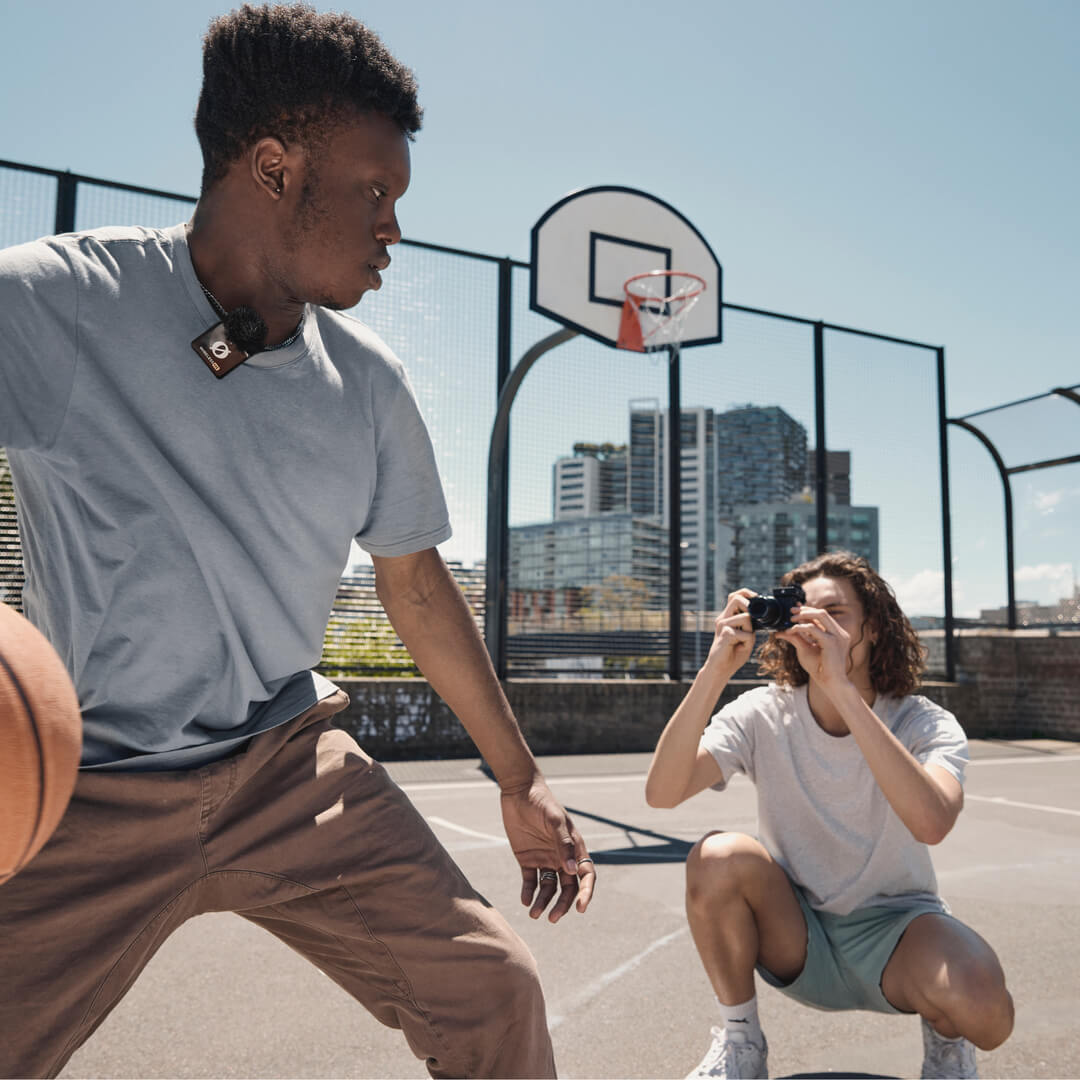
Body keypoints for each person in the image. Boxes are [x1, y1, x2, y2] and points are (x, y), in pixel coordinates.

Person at [0, 6, 595, 1077]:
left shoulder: (366, 385)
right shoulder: (60, 304)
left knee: (491, 988)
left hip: (288, 768)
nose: (394, 229)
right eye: (376, 193)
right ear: (273, 168)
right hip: (84, 783)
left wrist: (519, 775)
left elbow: (413, 588)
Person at [646, 552, 1013, 1080]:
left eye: (836, 612)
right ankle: (741, 1041)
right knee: (718, 855)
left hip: (898, 932)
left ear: (876, 629)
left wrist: (840, 687)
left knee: (986, 1012)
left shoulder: (924, 722)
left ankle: (947, 1041)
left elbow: (931, 823)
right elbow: (663, 792)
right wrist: (714, 670)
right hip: (797, 934)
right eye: (804, 611)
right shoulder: (763, 711)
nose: (816, 624)